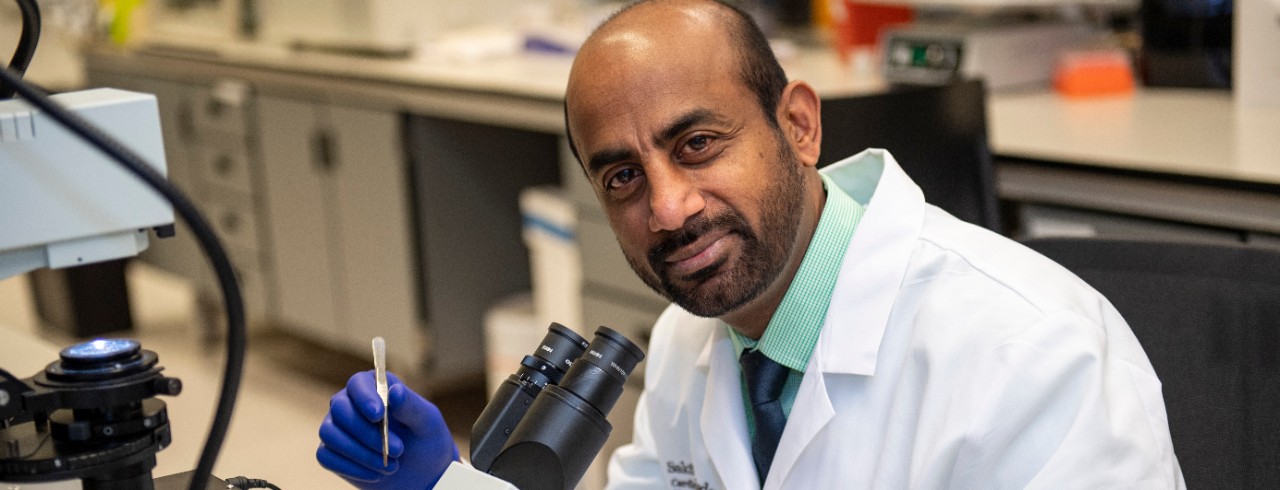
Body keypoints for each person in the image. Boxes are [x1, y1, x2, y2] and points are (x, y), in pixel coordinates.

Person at [317, 0, 1186, 488]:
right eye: (622, 177)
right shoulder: (694, 338)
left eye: (697, 144)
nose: (667, 208)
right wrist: (443, 487)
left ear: (799, 126)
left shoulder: (1039, 356)